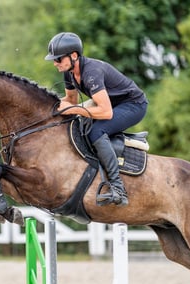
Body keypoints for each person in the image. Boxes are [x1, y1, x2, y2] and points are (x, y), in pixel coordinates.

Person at [45, 32, 148, 207]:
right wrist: (48, 109)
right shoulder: (69, 72)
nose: (55, 63)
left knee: (96, 131)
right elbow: (71, 100)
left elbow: (105, 112)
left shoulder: (91, 72)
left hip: (134, 105)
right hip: (113, 104)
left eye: (59, 59)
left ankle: (118, 188)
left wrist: (74, 109)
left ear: (74, 56)